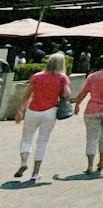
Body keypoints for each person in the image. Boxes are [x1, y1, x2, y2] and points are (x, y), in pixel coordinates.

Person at [11, 52, 71, 183]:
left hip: (33, 110)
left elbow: (27, 95)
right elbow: (67, 95)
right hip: (50, 111)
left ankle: (23, 162)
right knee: (42, 141)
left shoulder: (36, 76)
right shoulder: (62, 77)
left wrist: (20, 109)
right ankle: (35, 173)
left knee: (26, 138)